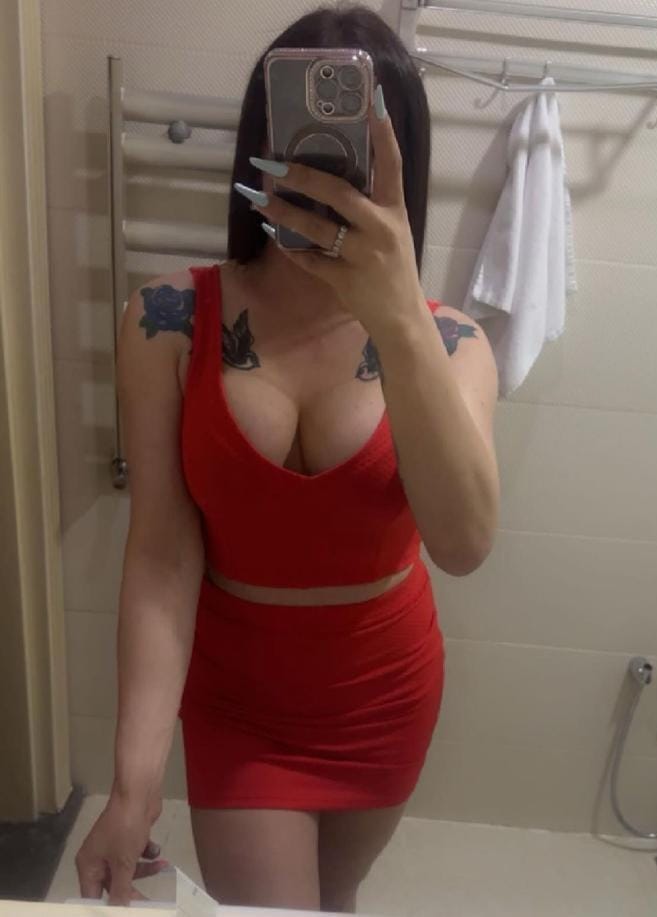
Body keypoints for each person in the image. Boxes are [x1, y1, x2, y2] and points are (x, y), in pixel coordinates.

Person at [76, 5, 500, 913]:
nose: (324, 171)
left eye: (353, 149)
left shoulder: (451, 342)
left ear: (399, 163)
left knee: (333, 898)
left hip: (386, 690)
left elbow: (463, 544)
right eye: (303, 137)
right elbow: (161, 552)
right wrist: (133, 782)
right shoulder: (168, 320)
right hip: (239, 700)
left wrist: (397, 314)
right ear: (261, 143)